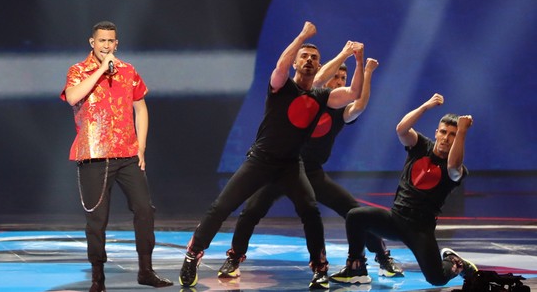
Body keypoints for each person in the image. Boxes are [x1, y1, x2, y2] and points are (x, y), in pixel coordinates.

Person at [179, 21, 365, 289]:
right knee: (222, 207)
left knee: (310, 211)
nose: (309, 60)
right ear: (295, 63)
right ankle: (193, 253)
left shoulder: (323, 95)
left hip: (290, 165)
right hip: (260, 161)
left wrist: (358, 60)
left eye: (314, 57)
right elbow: (279, 67)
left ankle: (320, 268)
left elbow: (354, 93)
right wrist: (302, 36)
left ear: (320, 65)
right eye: (304, 56)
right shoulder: (281, 86)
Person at [216, 56, 405, 284]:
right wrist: (344, 55)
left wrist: (367, 72)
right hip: (281, 167)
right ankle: (234, 258)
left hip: (311, 172)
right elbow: (317, 78)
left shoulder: (340, 112)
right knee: (252, 210)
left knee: (355, 212)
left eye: (343, 78)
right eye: (336, 76)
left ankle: (383, 257)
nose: (339, 81)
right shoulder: (310, 98)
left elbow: (360, 104)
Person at [60, 21, 173, 291]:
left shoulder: (128, 71)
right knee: (97, 220)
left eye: (111, 42)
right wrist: (100, 70)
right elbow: (74, 96)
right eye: (102, 41)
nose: (106, 46)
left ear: (116, 44)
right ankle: (98, 278)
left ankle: (146, 270)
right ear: (92, 42)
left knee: (145, 210)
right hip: (94, 156)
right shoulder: (78, 71)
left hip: (127, 154)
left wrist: (141, 147)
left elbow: (141, 108)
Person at [333, 93, 477, 286]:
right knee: (356, 216)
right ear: (436, 133)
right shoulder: (420, 146)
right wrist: (425, 106)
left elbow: (453, 165)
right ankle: (356, 267)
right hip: (395, 220)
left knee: (436, 278)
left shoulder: (456, 168)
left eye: (452, 135)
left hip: (420, 230)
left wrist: (462, 132)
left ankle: (454, 262)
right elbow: (401, 129)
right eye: (443, 132)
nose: (446, 138)